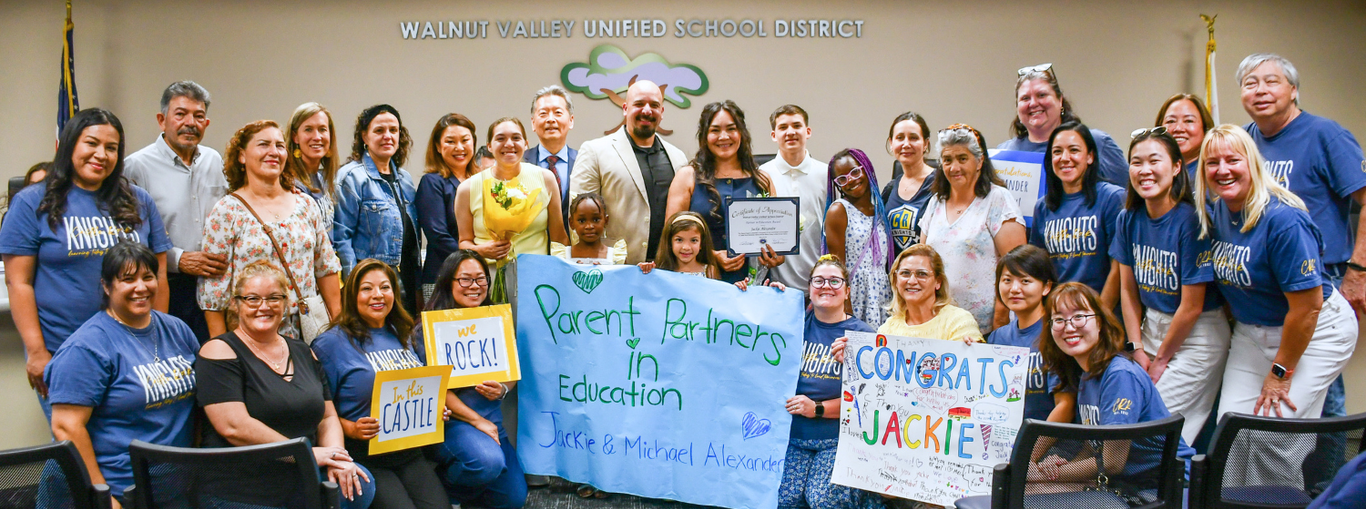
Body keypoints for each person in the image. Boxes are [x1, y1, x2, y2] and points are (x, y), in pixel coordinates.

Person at [1196, 125, 1357, 487]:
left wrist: (1279, 374)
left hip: (1316, 332)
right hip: (1254, 333)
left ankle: (1278, 500)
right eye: (1212, 162)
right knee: (1231, 434)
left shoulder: (1283, 220)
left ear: (1252, 162)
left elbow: (1308, 308)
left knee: (1274, 438)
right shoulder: (1220, 210)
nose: (1222, 169)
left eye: (1233, 160)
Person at [1238, 53, 1366, 484]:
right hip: (1263, 288)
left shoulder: (1324, 134)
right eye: (1250, 83)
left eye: (1271, 81)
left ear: (1293, 89)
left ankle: (1324, 485)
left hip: (1322, 279)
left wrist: (1358, 269)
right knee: (1281, 393)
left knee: (1325, 393)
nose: (1260, 91)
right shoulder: (1244, 140)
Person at [1, 108, 173, 420]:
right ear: (69, 146)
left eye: (111, 147)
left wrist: (158, 341)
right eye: (91, 143)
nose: (101, 154)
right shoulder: (32, 202)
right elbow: (18, 282)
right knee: (76, 438)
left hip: (133, 347)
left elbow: (158, 273)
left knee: (124, 436)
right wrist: (37, 351)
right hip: (64, 349)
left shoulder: (139, 200)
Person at [198, 261, 372, 508]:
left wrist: (337, 457)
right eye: (252, 299)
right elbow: (233, 426)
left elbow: (327, 418)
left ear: (286, 304)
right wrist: (306, 455)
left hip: (302, 473)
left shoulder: (303, 351)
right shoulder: (219, 350)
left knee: (359, 485)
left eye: (273, 298)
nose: (264, 307)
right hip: (244, 482)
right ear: (236, 304)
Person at [46, 242, 197, 506]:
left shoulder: (177, 329)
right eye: (128, 279)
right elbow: (66, 426)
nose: (141, 287)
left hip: (174, 483)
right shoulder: (87, 347)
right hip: (120, 488)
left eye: (148, 277)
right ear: (106, 286)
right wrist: (101, 495)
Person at [1113, 128, 1229, 444]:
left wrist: (1160, 360)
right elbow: (1128, 291)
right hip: (1151, 327)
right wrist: (1137, 347)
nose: (1145, 170)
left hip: (1196, 335)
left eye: (1154, 160)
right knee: (1127, 417)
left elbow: (1191, 306)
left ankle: (1175, 490)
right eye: (1136, 162)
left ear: (1177, 167)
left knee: (1155, 429)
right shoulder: (1128, 218)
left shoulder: (1190, 221)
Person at [313, 259, 451, 509]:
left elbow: (416, 387)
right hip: (365, 454)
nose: (377, 295)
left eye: (385, 287)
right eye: (366, 288)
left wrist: (432, 410)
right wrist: (352, 428)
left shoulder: (404, 333)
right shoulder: (330, 344)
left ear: (394, 293)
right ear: (352, 295)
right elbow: (318, 412)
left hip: (409, 451)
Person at [1034, 282, 1194, 491]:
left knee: (1034, 491)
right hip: (1128, 484)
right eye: (1059, 320)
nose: (1069, 326)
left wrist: (1040, 474)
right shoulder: (1087, 374)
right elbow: (1094, 448)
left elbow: (1111, 463)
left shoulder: (1120, 374)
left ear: (1099, 323)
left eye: (1079, 316)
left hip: (1166, 487)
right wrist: (1059, 468)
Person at [198, 120, 341, 341]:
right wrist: (223, 350)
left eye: (280, 145)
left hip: (308, 331)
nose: (273, 152)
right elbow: (213, 293)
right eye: (264, 144)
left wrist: (337, 330)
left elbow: (326, 268)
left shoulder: (306, 205)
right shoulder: (226, 211)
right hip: (253, 334)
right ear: (242, 156)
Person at [418, 251, 528, 509]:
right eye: (465, 280)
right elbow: (435, 388)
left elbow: (511, 370)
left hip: (492, 423)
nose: (475, 286)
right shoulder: (429, 328)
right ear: (448, 282)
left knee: (513, 499)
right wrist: (477, 421)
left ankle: (469, 485)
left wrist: (502, 389)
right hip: (453, 424)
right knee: (487, 463)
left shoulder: (495, 319)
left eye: (481, 279)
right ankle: (441, 489)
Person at [775, 255, 884, 509]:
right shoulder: (792, 324)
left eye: (835, 281)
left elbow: (873, 403)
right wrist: (770, 299)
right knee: (784, 499)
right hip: (790, 438)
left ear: (847, 292)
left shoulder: (863, 336)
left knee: (823, 499)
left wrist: (818, 409)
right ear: (809, 289)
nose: (826, 286)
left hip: (838, 440)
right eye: (819, 280)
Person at [124, 80, 226, 343]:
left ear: (206, 123)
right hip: (165, 284)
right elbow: (129, 239)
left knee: (214, 364)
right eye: (180, 114)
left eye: (198, 116)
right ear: (162, 120)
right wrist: (178, 260)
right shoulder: (136, 167)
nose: (190, 122)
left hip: (215, 285)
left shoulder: (214, 160)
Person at [919, 124, 1026, 332]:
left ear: (979, 161)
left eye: (962, 158)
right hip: (940, 326)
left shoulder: (998, 200)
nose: (954, 167)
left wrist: (1000, 321)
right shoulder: (935, 203)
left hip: (985, 329)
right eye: (947, 160)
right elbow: (922, 261)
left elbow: (1016, 268)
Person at [570, 79, 689, 264]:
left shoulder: (678, 158)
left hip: (667, 269)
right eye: (639, 104)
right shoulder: (594, 151)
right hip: (614, 269)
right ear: (625, 108)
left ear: (662, 112)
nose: (647, 110)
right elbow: (578, 217)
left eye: (654, 105)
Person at [666, 100, 780, 283]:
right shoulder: (687, 177)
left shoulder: (762, 179)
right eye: (715, 130)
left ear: (741, 133)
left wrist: (776, 253)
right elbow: (670, 234)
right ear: (704, 136)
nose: (724, 136)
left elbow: (775, 236)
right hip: (702, 280)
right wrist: (712, 256)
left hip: (754, 284)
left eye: (731, 128)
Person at [455, 117, 568, 298]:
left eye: (516, 138)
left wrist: (559, 279)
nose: (509, 144)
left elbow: (559, 238)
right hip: (488, 279)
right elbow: (464, 243)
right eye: (500, 139)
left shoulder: (545, 179)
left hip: (537, 278)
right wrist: (482, 250)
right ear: (489, 146)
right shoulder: (468, 188)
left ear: (526, 144)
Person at [334, 104, 421, 313]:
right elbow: (340, 238)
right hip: (372, 287)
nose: (387, 136)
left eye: (393, 130)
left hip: (406, 283)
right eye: (379, 131)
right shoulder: (351, 177)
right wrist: (354, 285)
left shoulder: (405, 180)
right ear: (364, 137)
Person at [1029, 121, 1124, 305]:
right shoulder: (1043, 207)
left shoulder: (1112, 198)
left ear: (1089, 156)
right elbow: (1041, 269)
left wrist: (1099, 316)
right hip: (1061, 316)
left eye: (1074, 150)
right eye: (1057, 152)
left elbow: (1119, 269)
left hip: (1105, 314)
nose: (1065, 158)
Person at [998, 63, 1127, 185]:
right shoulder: (1002, 154)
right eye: (1025, 98)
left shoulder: (1097, 143)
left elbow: (1130, 200)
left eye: (1041, 95)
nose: (1033, 103)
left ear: (1060, 101)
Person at [988, 245, 1074, 423]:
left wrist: (1032, 450)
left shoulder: (1058, 333)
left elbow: (1066, 405)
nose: (1014, 289)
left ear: (1046, 287)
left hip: (1051, 445)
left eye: (1025, 281)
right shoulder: (997, 337)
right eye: (1007, 280)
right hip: (1005, 443)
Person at [823, 148, 891, 327]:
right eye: (842, 179)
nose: (851, 180)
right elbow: (837, 265)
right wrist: (845, 308)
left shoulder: (880, 209)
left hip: (882, 293)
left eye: (855, 172)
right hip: (855, 295)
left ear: (866, 169)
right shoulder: (838, 211)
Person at [762, 105, 826, 292]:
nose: (790, 132)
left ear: (807, 132)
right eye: (783, 127)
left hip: (821, 283)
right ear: (774, 135)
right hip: (777, 284)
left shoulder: (826, 173)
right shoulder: (761, 175)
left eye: (796, 126)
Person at [417, 113, 479, 304]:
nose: (459, 148)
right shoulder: (432, 182)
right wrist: (478, 257)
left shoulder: (482, 181)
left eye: (465, 140)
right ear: (438, 146)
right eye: (450, 141)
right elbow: (438, 236)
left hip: (477, 279)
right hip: (442, 278)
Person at [878, 244, 983, 342]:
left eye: (922, 274)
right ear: (896, 280)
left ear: (938, 281)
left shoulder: (959, 322)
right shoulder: (887, 330)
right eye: (905, 273)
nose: (912, 281)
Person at [882, 112, 937, 255]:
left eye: (913, 138)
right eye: (900, 138)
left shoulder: (941, 185)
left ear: (925, 144)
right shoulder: (890, 189)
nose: (906, 144)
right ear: (891, 143)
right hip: (894, 275)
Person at [284, 102, 341, 239]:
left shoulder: (323, 180)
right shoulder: (289, 184)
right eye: (308, 129)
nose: (317, 137)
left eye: (322, 129)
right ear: (295, 137)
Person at [524, 85, 577, 232]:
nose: (551, 119)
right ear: (533, 123)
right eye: (543, 114)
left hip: (574, 249)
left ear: (571, 121)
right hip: (530, 250)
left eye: (558, 113)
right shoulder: (520, 163)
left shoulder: (584, 162)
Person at [638, 211, 721, 278]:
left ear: (701, 243)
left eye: (694, 240)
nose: (686, 247)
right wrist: (643, 270)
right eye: (679, 240)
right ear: (670, 242)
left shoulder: (709, 271)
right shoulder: (659, 271)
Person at [551, 192, 627, 264]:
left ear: (606, 220)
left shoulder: (615, 258)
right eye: (582, 221)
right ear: (572, 223)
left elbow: (627, 276)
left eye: (596, 220)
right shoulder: (563, 257)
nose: (589, 226)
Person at [1153, 94, 1215, 175]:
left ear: (1205, 128)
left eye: (1189, 121)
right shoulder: (1146, 171)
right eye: (1171, 121)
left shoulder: (1215, 172)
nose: (1178, 128)